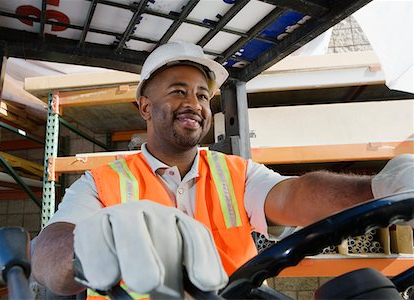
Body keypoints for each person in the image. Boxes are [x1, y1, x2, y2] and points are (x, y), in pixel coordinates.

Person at [31, 41, 414, 298]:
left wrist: (378, 189)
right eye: (178, 90)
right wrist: (101, 239)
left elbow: (293, 196)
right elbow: (48, 255)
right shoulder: (101, 182)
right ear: (145, 108)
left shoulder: (237, 173)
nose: (194, 103)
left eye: (202, 95)